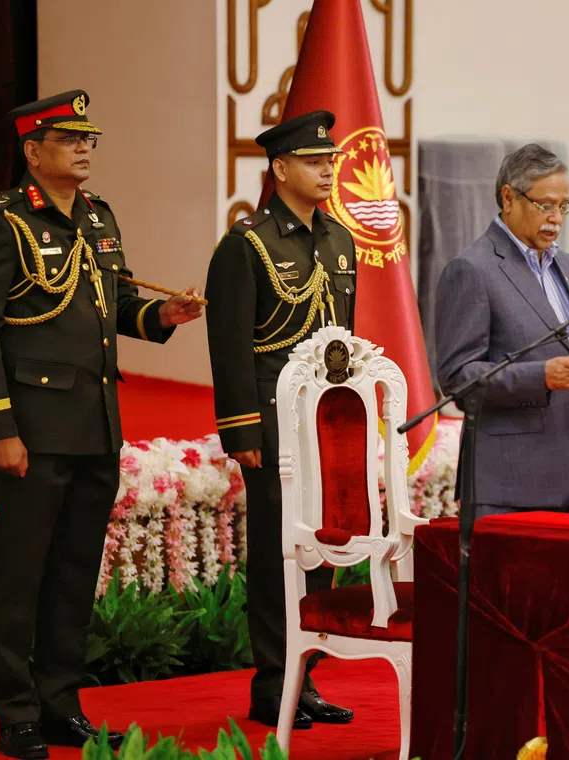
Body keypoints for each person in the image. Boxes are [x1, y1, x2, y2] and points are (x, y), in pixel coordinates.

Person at [0, 90, 204, 759]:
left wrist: (162, 319)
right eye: (68, 139)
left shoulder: (98, 217)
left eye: (88, 138)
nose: (85, 147)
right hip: (32, 429)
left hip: (95, 424)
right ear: (33, 152)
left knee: (73, 573)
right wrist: (0, 426)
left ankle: (61, 703)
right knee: (22, 576)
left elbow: (114, 303)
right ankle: (16, 716)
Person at [205, 111, 356, 729]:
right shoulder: (249, 244)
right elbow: (231, 343)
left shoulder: (339, 239)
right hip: (273, 424)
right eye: (315, 161)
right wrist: (242, 431)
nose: (327, 170)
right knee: (277, 555)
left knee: (322, 549)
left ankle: (307, 678)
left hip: (329, 426)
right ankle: (273, 683)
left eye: (331, 161)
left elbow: (348, 345)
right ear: (280, 168)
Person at [434, 144, 569, 516]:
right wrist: (539, 376)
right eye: (545, 205)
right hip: (508, 486)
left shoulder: (564, 265)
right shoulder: (472, 269)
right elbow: (458, 379)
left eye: (564, 206)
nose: (556, 218)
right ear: (508, 197)